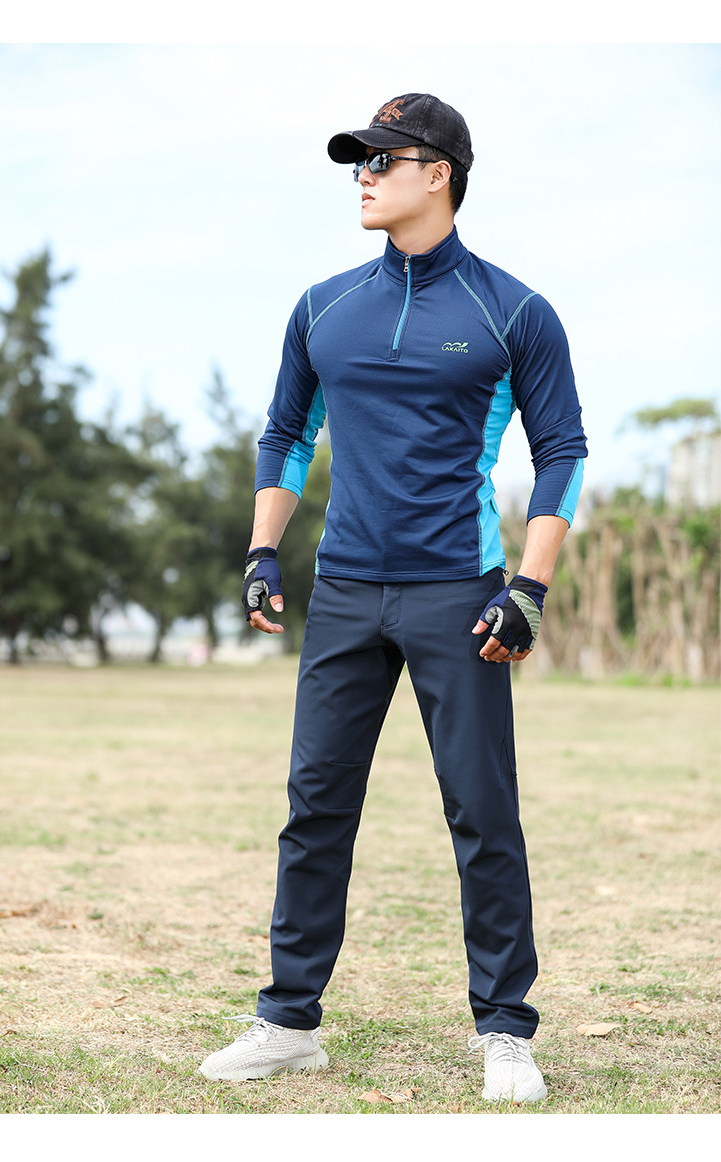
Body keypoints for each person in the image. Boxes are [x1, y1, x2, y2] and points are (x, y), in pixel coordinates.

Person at [199, 92, 587, 1103]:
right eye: (358, 161)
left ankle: (505, 1030)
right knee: (315, 808)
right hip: (343, 593)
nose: (363, 176)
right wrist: (262, 551)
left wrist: (530, 586)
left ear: (439, 174)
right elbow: (285, 434)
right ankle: (289, 1021)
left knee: (482, 811)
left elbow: (562, 452)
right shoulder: (324, 307)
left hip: (461, 594)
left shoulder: (513, 311)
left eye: (383, 159)